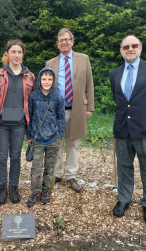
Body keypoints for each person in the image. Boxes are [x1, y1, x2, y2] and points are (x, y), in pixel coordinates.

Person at [109, 35, 146, 225]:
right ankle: (124, 199)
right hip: (122, 129)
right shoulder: (114, 74)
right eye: (126, 46)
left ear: (140, 47)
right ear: (121, 50)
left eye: (134, 45)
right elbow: (120, 102)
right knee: (124, 166)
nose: (130, 49)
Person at [46, 28, 94, 193]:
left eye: (66, 39)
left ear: (72, 41)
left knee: (73, 144)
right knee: (57, 143)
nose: (64, 42)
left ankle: (71, 175)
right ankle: (57, 173)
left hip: (77, 109)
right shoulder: (50, 63)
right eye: (61, 40)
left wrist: (90, 107)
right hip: (57, 111)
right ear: (58, 44)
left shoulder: (83, 59)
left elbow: (89, 84)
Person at [0, 39, 36, 205]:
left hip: (19, 124)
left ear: (23, 54)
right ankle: (2, 188)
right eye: (13, 52)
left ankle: (14, 187)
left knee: (16, 157)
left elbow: (31, 102)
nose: (16, 55)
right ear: (7, 53)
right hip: (1, 124)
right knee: (2, 157)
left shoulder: (30, 76)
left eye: (19, 52)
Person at [26, 67, 65, 207]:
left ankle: (46, 190)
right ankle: (35, 191)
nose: (47, 81)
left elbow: (61, 118)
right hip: (37, 139)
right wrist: (29, 134)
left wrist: (60, 134)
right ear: (39, 80)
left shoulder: (58, 98)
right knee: (36, 168)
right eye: (44, 79)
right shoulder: (33, 97)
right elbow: (29, 116)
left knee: (49, 167)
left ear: (53, 81)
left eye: (50, 79)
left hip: (53, 139)